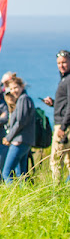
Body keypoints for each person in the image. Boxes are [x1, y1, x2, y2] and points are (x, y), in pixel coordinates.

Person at [42, 50, 70, 183]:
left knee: (55, 160)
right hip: (65, 122)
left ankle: (57, 191)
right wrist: (54, 103)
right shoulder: (64, 79)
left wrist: (63, 127)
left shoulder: (68, 79)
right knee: (68, 160)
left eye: (64, 62)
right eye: (59, 63)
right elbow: (66, 104)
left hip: (64, 125)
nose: (61, 65)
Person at [1, 75, 35, 183]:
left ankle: (12, 196)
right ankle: (24, 195)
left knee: (6, 172)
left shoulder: (23, 99)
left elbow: (20, 121)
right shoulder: (22, 99)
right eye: (11, 89)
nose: (13, 91)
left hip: (19, 140)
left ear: (21, 86)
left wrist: (9, 137)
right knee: (21, 173)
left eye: (15, 87)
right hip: (24, 140)